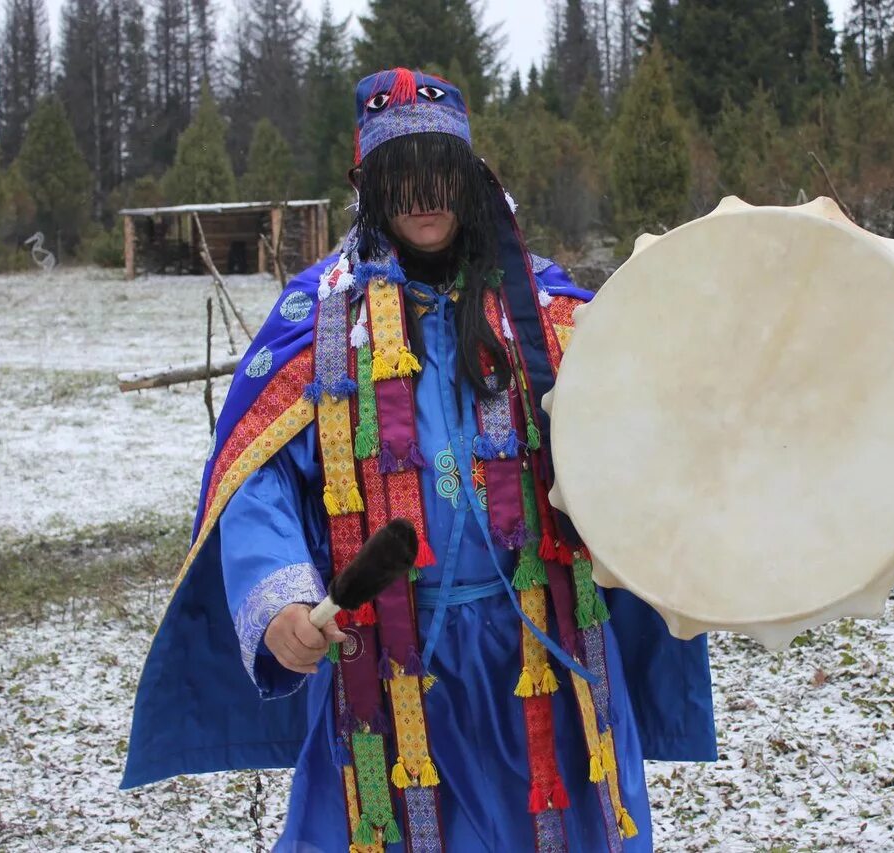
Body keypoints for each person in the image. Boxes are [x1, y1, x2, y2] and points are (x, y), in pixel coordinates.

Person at [123, 67, 716, 852]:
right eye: (401, 178)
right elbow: (259, 482)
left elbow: (645, 439)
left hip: (542, 658)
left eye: (440, 172)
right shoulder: (322, 321)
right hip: (381, 670)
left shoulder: (548, 312)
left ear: (471, 178)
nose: (424, 197)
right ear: (368, 187)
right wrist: (279, 608)